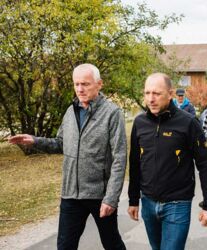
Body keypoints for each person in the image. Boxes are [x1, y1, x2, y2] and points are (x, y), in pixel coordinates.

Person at [8, 64, 127, 249]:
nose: (80, 89)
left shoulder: (112, 113)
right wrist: (34, 141)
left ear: (99, 84)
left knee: (112, 243)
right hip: (70, 195)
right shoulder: (70, 112)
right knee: (64, 245)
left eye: (85, 84)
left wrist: (111, 198)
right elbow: (61, 144)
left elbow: (119, 158)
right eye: (76, 84)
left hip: (99, 196)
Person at [127, 73, 207, 250]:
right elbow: (135, 162)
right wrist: (133, 199)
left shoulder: (188, 123)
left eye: (157, 94)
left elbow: (204, 165)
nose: (150, 99)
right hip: (148, 203)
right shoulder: (140, 122)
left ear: (171, 93)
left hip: (177, 204)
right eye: (147, 93)